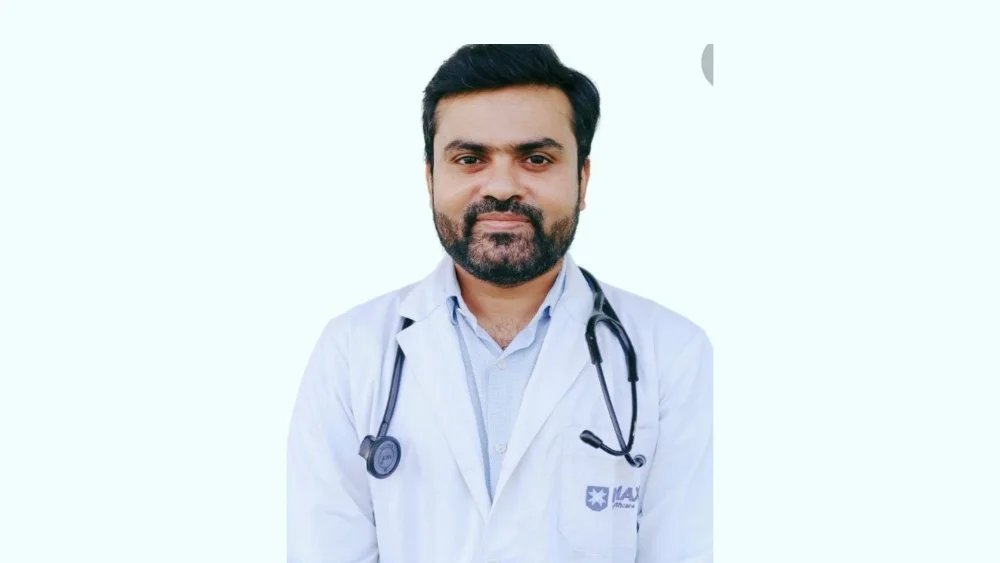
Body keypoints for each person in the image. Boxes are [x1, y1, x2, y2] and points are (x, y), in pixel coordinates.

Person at [287, 44, 713, 563]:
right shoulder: (352, 351)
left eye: (536, 159)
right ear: (430, 179)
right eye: (470, 159)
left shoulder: (674, 354)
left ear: (582, 180)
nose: (503, 187)